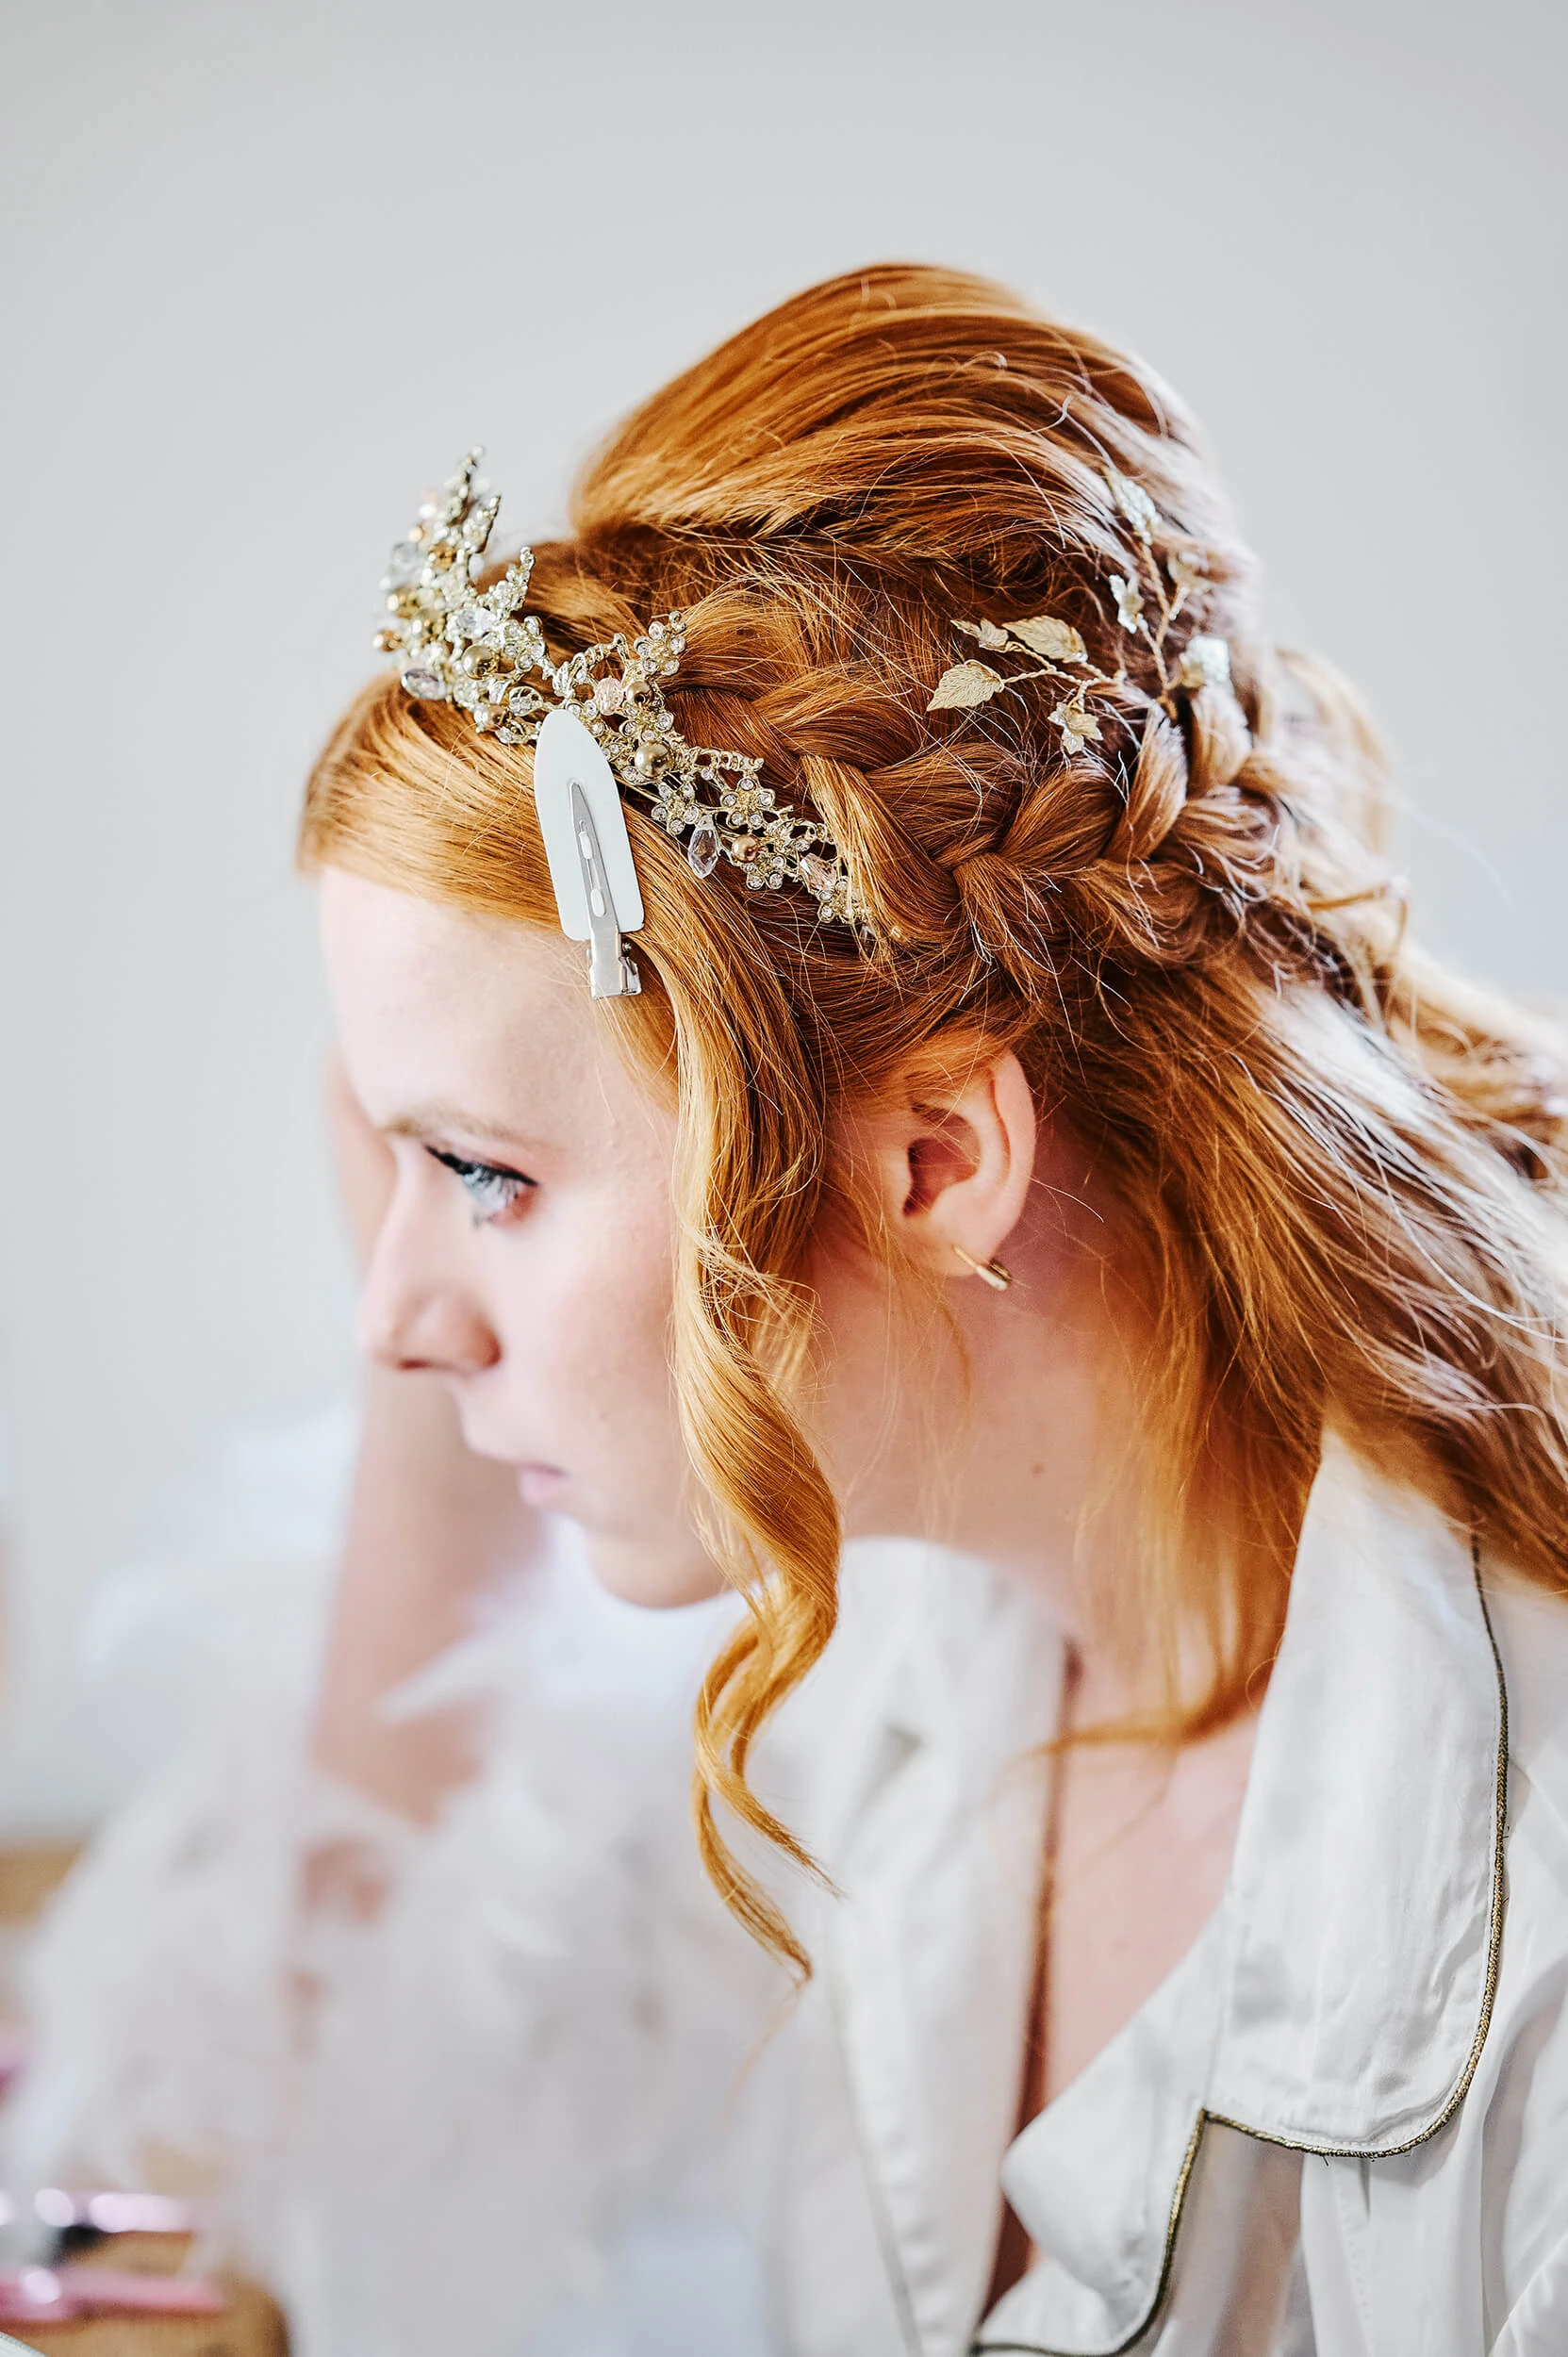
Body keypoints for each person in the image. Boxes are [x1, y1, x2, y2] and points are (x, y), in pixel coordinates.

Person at [10, 263, 1568, 2356]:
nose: (394, 1317)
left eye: (484, 1174)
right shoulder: (876, 1629)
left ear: (934, 1162)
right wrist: (443, 1138)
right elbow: (344, 2063)